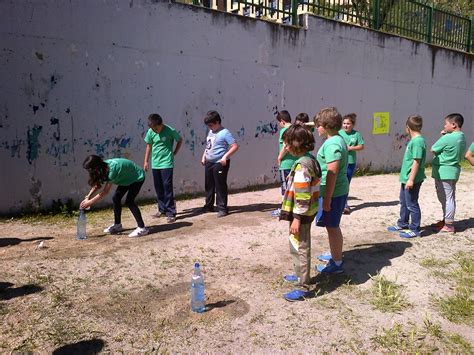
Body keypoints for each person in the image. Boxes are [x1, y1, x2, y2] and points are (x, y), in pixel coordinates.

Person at [279, 125, 321, 302]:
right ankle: (298, 274)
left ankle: (303, 285)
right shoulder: (308, 159)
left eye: (287, 143)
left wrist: (296, 219)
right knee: (296, 244)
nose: (285, 147)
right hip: (303, 213)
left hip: (301, 215)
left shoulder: (302, 167)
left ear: (297, 144)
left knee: (302, 247)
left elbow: (302, 196)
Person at [313, 107, 348, 274]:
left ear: (326, 125)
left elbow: (332, 171)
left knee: (332, 227)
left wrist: (327, 199)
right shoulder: (337, 139)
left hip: (333, 192)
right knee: (331, 226)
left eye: (318, 125)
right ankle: (335, 255)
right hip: (336, 190)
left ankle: (337, 263)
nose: (316, 128)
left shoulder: (332, 143)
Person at [80, 155, 148, 238]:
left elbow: (105, 192)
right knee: (116, 198)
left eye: (89, 169)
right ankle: (117, 225)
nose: (89, 172)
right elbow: (97, 185)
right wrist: (88, 197)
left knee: (129, 201)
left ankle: (142, 228)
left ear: (95, 167)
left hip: (137, 177)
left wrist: (90, 202)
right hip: (126, 179)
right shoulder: (102, 168)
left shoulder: (111, 170)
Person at [387, 115, 426, 238]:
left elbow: (417, 161)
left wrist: (411, 180)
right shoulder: (414, 140)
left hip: (412, 179)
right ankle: (403, 223)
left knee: (412, 203)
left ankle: (415, 229)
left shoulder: (418, 141)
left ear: (408, 127)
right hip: (406, 178)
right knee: (404, 201)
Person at [430, 113, 466, 233]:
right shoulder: (462, 137)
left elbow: (433, 149)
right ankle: (446, 220)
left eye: (446, 124)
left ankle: (449, 225)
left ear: (454, 125)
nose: (444, 126)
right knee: (446, 197)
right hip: (453, 170)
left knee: (447, 198)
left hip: (445, 171)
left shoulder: (447, 138)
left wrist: (443, 137)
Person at [143, 113, 183, 223]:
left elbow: (179, 140)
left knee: (167, 187)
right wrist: (146, 161)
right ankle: (162, 209)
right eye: (152, 128)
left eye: (156, 128)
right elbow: (149, 146)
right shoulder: (151, 132)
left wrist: (175, 151)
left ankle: (171, 212)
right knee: (158, 187)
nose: (154, 130)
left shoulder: (170, 130)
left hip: (167, 163)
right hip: (155, 164)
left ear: (161, 124)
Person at [201, 111, 238, 217]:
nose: (209, 127)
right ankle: (209, 206)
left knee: (220, 185)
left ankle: (222, 208)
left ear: (217, 122)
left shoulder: (225, 133)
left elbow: (235, 146)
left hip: (219, 163)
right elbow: (208, 146)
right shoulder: (211, 132)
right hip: (209, 162)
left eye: (211, 125)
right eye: (208, 126)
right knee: (209, 185)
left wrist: (225, 157)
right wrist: (204, 156)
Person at [338, 113, 364, 214]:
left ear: (352, 124)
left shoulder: (356, 134)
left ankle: (344, 204)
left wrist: (351, 148)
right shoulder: (339, 133)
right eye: (344, 123)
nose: (345, 125)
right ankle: (336, 203)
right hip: (339, 162)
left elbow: (361, 146)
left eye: (348, 124)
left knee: (346, 183)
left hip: (350, 163)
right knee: (338, 183)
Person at [273, 110, 296, 217]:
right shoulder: (296, 129)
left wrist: (279, 157)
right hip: (295, 162)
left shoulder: (284, 131)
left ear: (282, 121)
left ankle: (285, 209)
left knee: (285, 186)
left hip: (286, 163)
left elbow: (286, 145)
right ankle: (293, 207)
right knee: (293, 186)